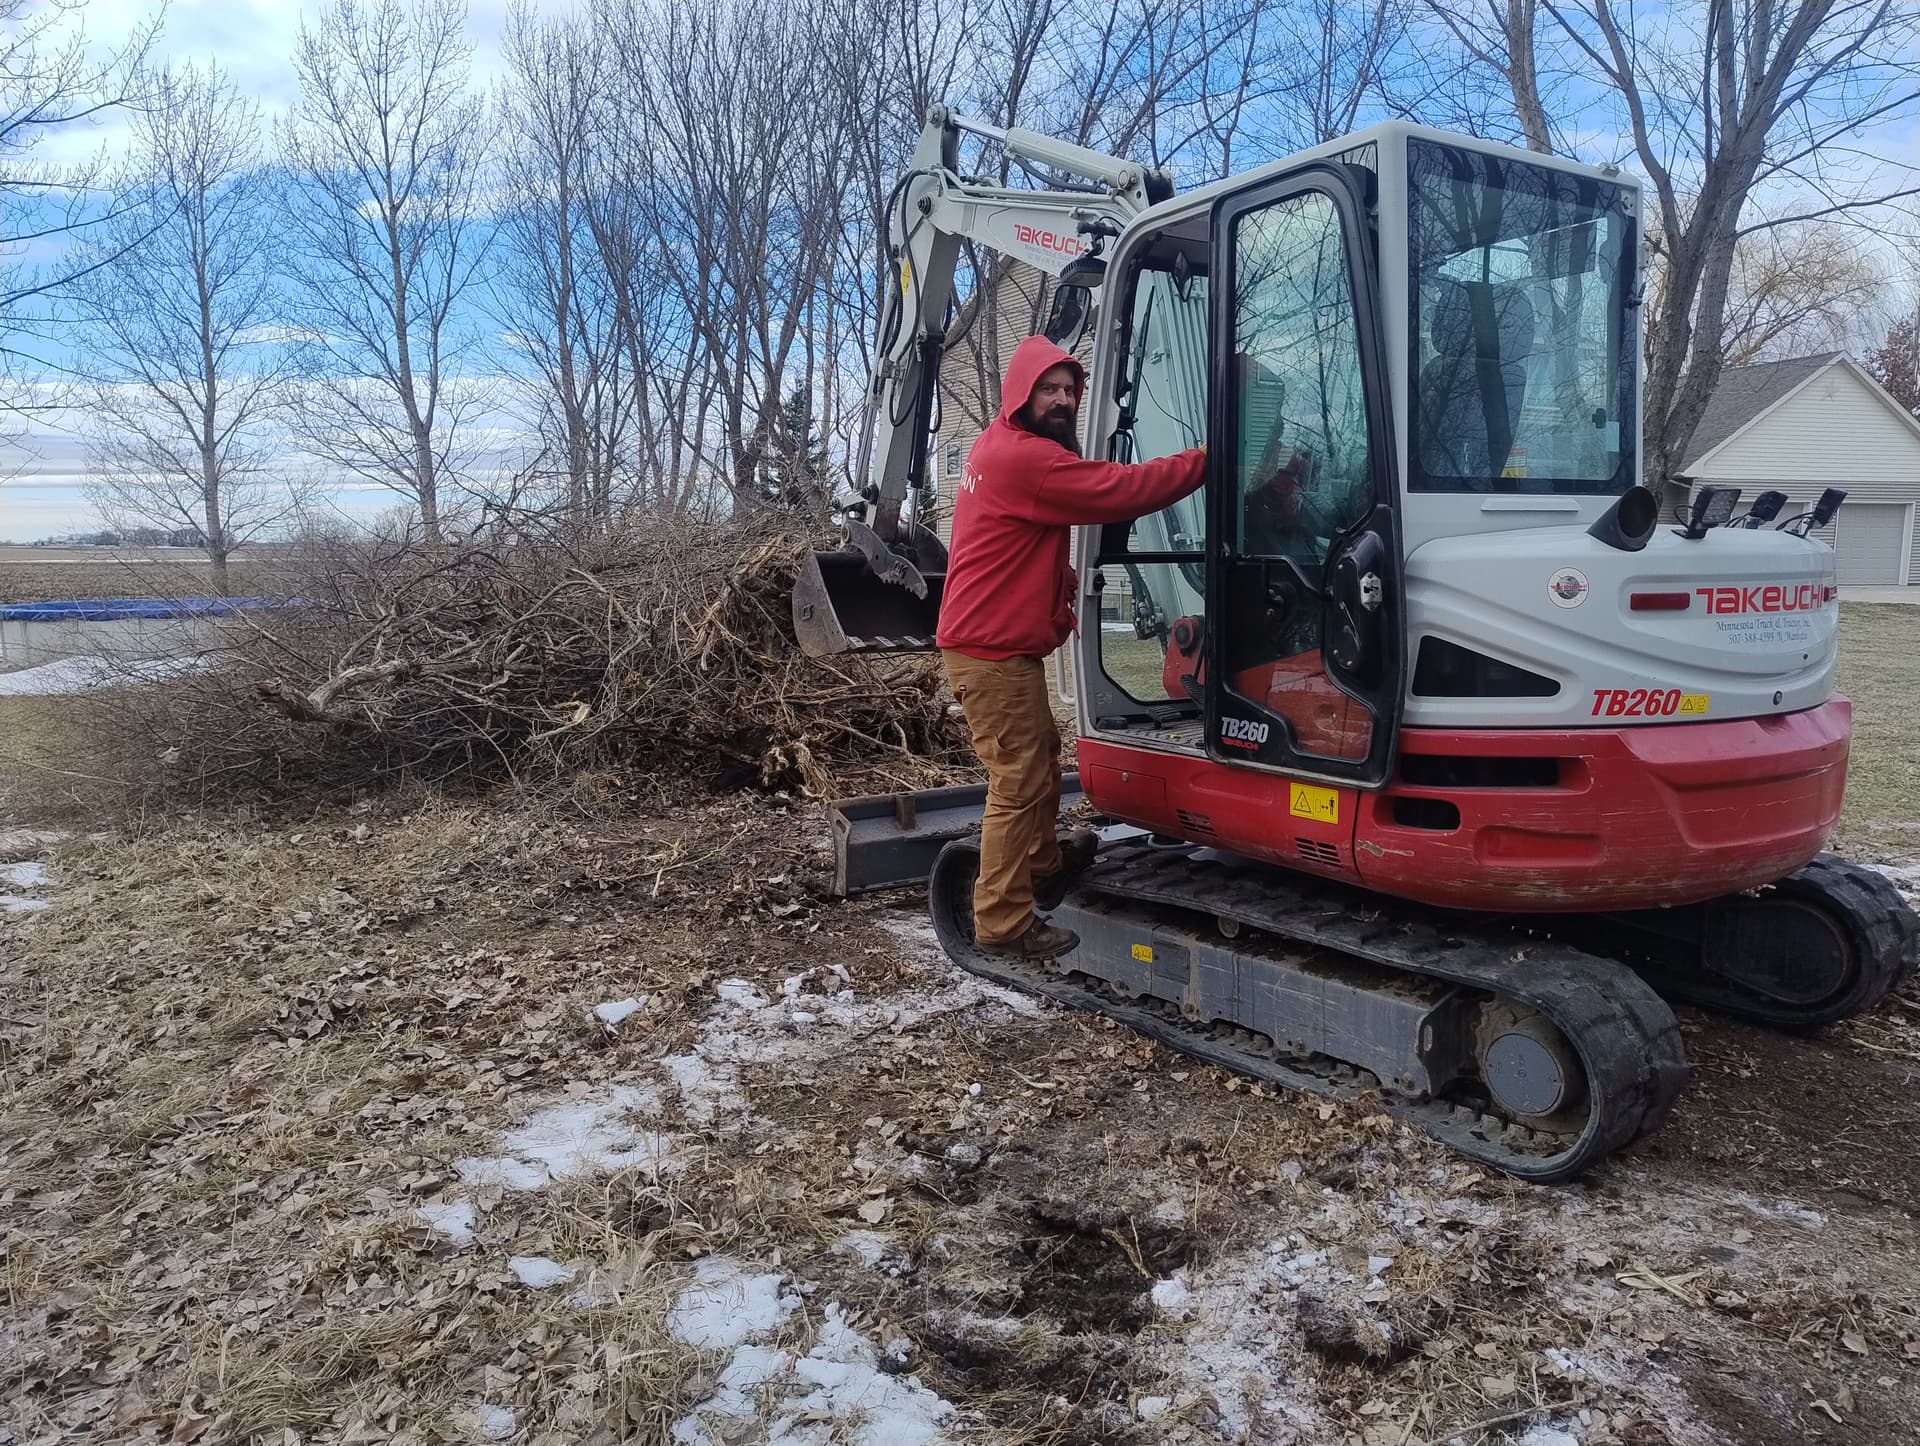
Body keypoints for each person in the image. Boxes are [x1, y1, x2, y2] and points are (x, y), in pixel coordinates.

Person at [937, 334, 1207, 960]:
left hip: (996, 645)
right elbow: (1121, 491)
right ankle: (1002, 924)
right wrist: (1204, 459)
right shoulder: (1024, 457)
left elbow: (1025, 541)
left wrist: (1059, 592)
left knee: (1037, 759)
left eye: (1069, 391)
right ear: (1020, 394)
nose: (1061, 400)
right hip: (991, 651)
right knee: (1019, 780)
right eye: (1048, 389)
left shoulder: (999, 446)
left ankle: (1046, 864)